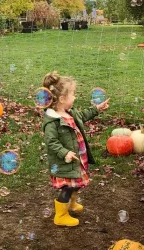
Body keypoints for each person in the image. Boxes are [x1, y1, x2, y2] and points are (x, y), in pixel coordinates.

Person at [42, 71, 109, 227]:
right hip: (65, 161)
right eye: (73, 94)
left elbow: (83, 115)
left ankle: (71, 204)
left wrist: (97, 108)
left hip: (77, 158)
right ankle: (61, 215)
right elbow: (51, 141)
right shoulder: (52, 121)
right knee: (68, 187)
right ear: (62, 99)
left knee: (77, 183)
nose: (75, 97)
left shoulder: (68, 112)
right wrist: (64, 152)